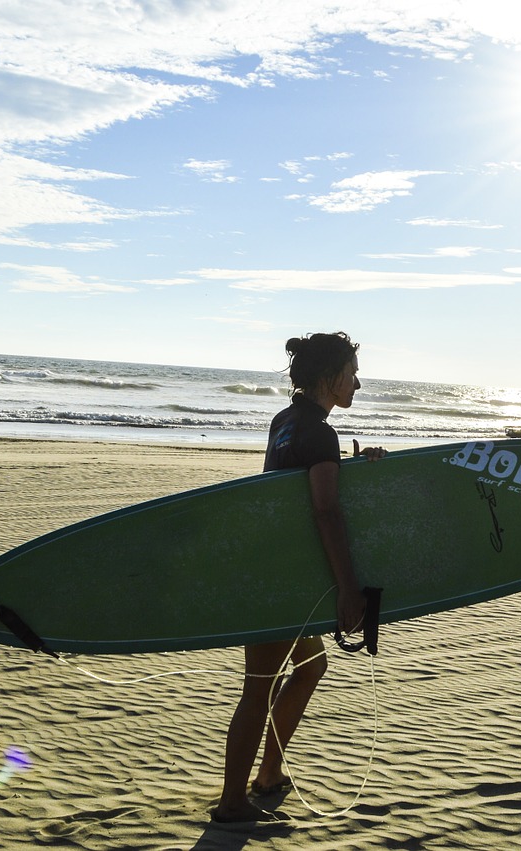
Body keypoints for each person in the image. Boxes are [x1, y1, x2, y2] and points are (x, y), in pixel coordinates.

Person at [213, 331, 386, 823]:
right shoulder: (318, 432)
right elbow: (325, 511)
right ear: (330, 379)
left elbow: (296, 486)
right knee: (258, 688)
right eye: (352, 374)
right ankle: (231, 803)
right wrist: (349, 590)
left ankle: (269, 774)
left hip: (275, 568)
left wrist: (354, 466)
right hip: (278, 583)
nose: (358, 382)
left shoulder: (287, 421)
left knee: (311, 667)